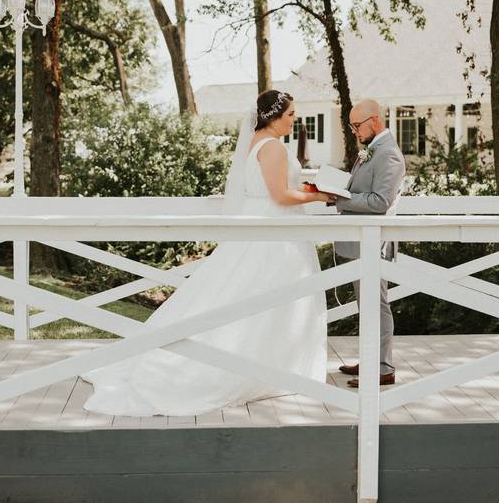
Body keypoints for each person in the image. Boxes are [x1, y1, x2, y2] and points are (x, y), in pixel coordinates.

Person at [81, 90, 333, 416]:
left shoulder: (258, 141)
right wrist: (319, 197)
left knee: (254, 299)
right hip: (273, 232)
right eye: (290, 115)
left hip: (265, 226)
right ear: (273, 116)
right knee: (265, 299)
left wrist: (308, 190)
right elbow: (281, 196)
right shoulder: (270, 147)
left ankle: (271, 366)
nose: (293, 120)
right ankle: (256, 369)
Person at [333, 99, 406, 387]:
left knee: (377, 305)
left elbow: (380, 202)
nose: (353, 131)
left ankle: (383, 368)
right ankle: (371, 360)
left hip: (374, 244)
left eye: (356, 125)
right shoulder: (373, 151)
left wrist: (341, 198)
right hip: (361, 242)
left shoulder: (389, 155)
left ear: (374, 121)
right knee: (368, 306)